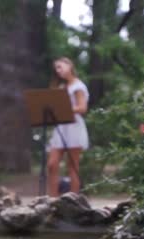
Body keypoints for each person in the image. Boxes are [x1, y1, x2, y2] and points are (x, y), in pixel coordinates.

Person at [46, 57, 90, 197]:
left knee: (72, 166)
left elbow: (82, 108)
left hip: (73, 126)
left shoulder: (78, 86)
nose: (58, 70)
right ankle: (53, 200)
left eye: (60, 66)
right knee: (52, 164)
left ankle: (74, 199)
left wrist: (65, 109)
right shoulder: (61, 87)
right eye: (56, 68)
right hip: (61, 127)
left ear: (69, 66)